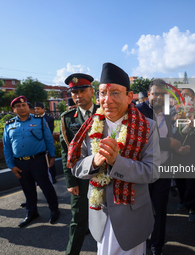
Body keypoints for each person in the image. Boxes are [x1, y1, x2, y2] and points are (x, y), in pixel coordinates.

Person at [68, 62, 160, 254]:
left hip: (132, 216)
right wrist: (94, 161)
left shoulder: (148, 127)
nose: (107, 100)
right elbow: (76, 167)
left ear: (129, 97)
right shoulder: (90, 127)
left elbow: (153, 172)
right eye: (103, 93)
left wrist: (116, 162)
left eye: (115, 93)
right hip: (100, 213)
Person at [136, 79, 181, 255]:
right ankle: (141, 239)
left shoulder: (169, 113)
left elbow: (171, 135)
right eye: (155, 93)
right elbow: (140, 140)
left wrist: (178, 147)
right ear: (149, 94)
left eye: (163, 94)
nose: (159, 97)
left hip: (164, 168)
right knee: (142, 208)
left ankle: (157, 246)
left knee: (161, 209)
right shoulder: (139, 111)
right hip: (143, 169)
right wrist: (168, 142)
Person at [3, 96, 59, 228]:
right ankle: (31, 213)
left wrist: (52, 156)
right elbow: (6, 146)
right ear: (14, 109)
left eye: (24, 105)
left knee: (46, 187)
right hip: (20, 163)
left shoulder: (39, 121)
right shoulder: (9, 125)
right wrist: (11, 165)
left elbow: (48, 139)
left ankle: (54, 210)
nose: (21, 108)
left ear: (28, 107)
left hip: (38, 161)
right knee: (28, 189)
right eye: (18, 106)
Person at [60, 73, 98, 255]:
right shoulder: (68, 118)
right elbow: (65, 151)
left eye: (82, 90)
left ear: (92, 91)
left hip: (104, 174)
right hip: (79, 177)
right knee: (77, 219)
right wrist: (70, 182)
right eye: (74, 92)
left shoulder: (105, 111)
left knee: (108, 218)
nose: (78, 95)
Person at [35, 102, 57, 183]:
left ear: (43, 109)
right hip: (38, 144)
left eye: (38, 109)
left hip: (47, 142)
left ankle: (53, 177)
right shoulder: (34, 119)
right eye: (35, 109)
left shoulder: (49, 119)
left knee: (50, 161)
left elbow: (49, 132)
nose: (36, 110)